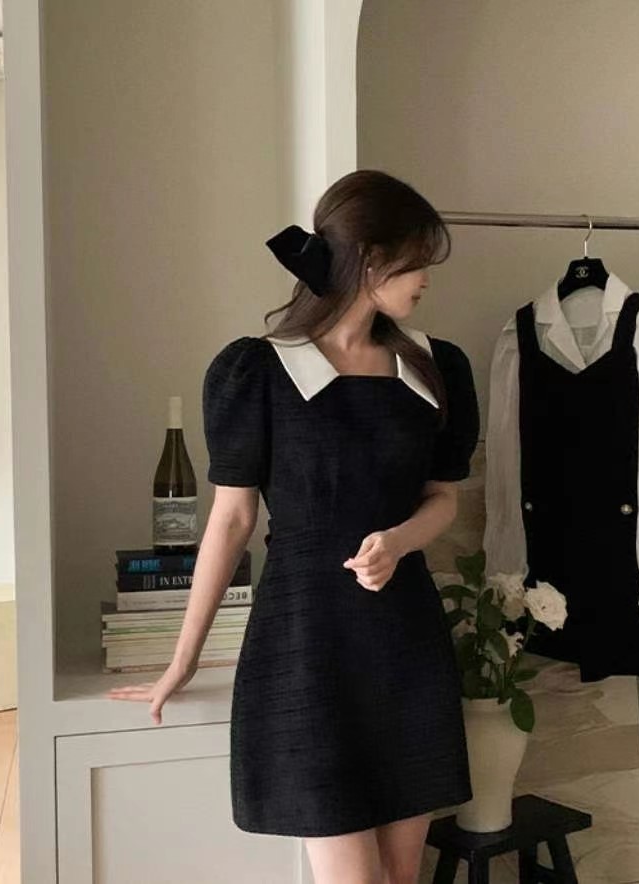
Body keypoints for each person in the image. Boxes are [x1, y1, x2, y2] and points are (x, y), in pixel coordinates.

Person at [108, 169, 480, 884]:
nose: (426, 280)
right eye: (416, 261)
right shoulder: (258, 370)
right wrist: (184, 659)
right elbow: (231, 521)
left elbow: (443, 499)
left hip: (404, 638)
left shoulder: (438, 367)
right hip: (305, 642)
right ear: (370, 260)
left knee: (402, 876)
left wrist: (399, 541)